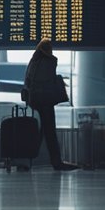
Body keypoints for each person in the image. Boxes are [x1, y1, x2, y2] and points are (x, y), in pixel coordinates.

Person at [22, 39, 76, 171]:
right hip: (46, 102)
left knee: (39, 133)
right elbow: (47, 80)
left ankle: (25, 160)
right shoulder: (48, 61)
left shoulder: (33, 61)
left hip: (35, 102)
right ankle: (56, 162)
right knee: (50, 132)